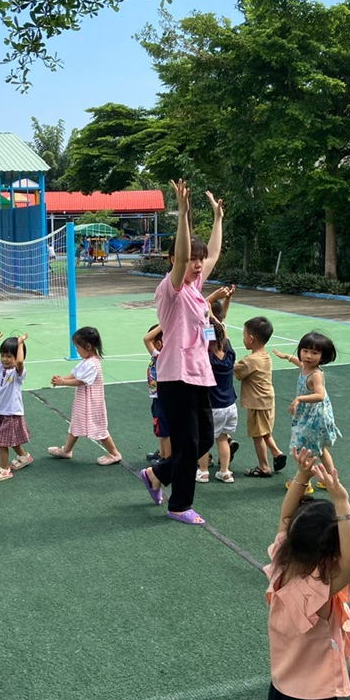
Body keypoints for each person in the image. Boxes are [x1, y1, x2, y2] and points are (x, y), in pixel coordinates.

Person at [264, 450, 350, 700]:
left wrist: (301, 478)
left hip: (281, 689)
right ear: (329, 556)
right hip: (311, 699)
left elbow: (285, 518)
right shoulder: (317, 590)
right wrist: (341, 501)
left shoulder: (281, 564)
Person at [138, 180, 224, 526]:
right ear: (174, 260)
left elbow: (213, 254)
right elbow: (185, 255)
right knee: (188, 445)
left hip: (199, 374)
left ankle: (157, 474)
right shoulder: (170, 289)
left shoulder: (194, 287)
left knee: (204, 438)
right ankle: (179, 505)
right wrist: (184, 213)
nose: (198, 264)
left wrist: (217, 219)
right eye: (191, 260)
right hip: (176, 375)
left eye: (199, 261)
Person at [274, 332, 341, 488]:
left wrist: (299, 399)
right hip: (313, 415)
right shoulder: (306, 367)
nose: (308, 356)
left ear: (323, 356)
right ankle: (330, 480)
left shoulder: (316, 375)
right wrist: (286, 357)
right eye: (305, 351)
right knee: (320, 449)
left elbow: (320, 395)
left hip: (314, 418)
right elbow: (299, 363)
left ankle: (304, 483)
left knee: (303, 450)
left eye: (315, 353)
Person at [48, 326, 123, 465]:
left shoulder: (92, 364)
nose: (77, 350)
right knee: (75, 425)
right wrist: (61, 379)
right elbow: (75, 373)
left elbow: (81, 381)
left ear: (88, 346)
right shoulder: (86, 361)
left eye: (78, 347)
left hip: (92, 403)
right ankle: (66, 450)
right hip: (83, 402)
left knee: (99, 428)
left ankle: (114, 454)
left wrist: (62, 382)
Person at [234, 316, 287, 479]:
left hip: (257, 403)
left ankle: (264, 466)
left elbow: (235, 370)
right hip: (267, 400)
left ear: (251, 338)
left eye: (244, 335)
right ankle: (276, 453)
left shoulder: (250, 360)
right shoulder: (265, 356)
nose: (243, 338)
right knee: (265, 431)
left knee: (257, 435)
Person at [0, 331, 32, 481]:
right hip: (0, 411)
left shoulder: (18, 373)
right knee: (11, 440)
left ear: (17, 357)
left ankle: (4, 469)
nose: (4, 359)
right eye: (3, 355)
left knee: (2, 443)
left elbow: (20, 363)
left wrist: (20, 343)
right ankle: (24, 456)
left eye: (9, 356)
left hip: (11, 412)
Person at [197, 315, 238, 483]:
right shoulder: (230, 354)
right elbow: (224, 334)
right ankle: (225, 471)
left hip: (213, 407)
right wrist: (212, 315)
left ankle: (203, 471)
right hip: (230, 406)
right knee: (222, 438)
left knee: (204, 439)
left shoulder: (207, 359)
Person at [141, 324, 171, 465]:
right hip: (159, 397)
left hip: (163, 398)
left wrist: (164, 323)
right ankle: (162, 454)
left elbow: (146, 339)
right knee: (161, 428)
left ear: (159, 344)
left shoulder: (161, 356)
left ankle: (167, 460)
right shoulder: (165, 356)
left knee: (165, 431)